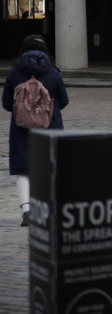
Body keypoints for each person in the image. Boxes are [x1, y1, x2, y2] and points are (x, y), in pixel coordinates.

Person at [2, 35, 68, 226]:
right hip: (50, 126)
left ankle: (27, 210)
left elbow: (6, 104)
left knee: (24, 171)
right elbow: (63, 102)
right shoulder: (54, 73)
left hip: (21, 128)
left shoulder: (15, 73)